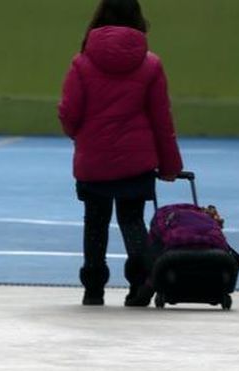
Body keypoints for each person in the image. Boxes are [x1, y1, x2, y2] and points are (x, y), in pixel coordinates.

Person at [59, 0, 182, 307]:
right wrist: (170, 165)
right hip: (136, 162)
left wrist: (82, 137)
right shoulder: (151, 65)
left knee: (95, 223)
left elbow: (69, 112)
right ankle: (141, 283)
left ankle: (93, 289)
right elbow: (161, 120)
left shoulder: (82, 63)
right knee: (132, 221)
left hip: (94, 160)